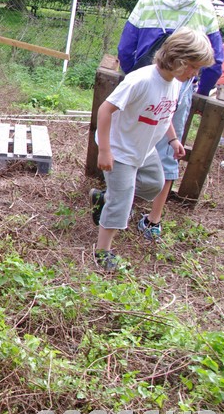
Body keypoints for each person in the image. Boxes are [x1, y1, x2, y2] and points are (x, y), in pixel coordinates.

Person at [116, 0, 224, 242]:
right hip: (180, 89)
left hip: (142, 83)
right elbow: (216, 59)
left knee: (128, 140)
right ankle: (154, 219)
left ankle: (119, 203)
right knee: (168, 148)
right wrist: (199, 89)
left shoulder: (149, 1)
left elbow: (126, 47)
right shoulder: (204, 7)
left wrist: (134, 76)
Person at [91, 28, 215, 270]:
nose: (195, 73)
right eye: (193, 67)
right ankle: (102, 250)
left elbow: (165, 113)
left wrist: (173, 139)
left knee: (154, 184)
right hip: (121, 150)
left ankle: (104, 198)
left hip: (144, 149)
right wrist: (105, 150)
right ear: (178, 59)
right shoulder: (141, 80)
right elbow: (105, 110)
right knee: (121, 201)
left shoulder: (175, 83)